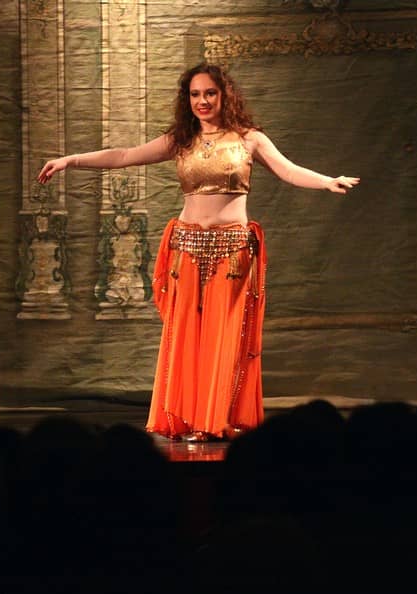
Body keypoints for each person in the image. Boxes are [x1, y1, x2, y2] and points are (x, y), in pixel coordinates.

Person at [38, 63, 359, 442]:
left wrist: (327, 182)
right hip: (186, 250)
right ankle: (191, 420)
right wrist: (71, 160)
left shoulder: (249, 139)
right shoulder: (181, 140)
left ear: (225, 95)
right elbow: (125, 155)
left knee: (224, 338)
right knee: (188, 337)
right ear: (186, 99)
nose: (202, 101)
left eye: (209, 93)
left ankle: (215, 420)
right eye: (195, 94)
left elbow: (287, 170)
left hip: (233, 251)